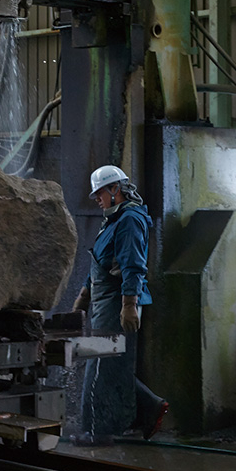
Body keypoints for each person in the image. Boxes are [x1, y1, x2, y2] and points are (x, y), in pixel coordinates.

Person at [72, 164, 168, 442]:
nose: (96, 199)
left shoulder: (129, 220)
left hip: (117, 304)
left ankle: (97, 432)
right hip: (105, 304)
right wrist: (83, 298)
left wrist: (128, 304)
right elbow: (101, 262)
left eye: (99, 193)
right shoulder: (113, 220)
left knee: (100, 364)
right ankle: (149, 408)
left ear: (116, 189)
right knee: (113, 366)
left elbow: (133, 265)